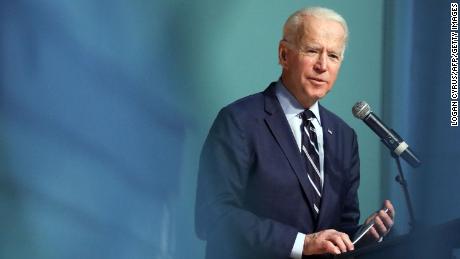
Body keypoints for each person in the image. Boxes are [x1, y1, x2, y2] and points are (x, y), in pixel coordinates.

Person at [195, 6, 395, 259]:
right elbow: (212, 215)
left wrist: (363, 234)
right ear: (284, 54)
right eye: (313, 51)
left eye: (333, 56)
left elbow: (339, 230)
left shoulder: (344, 137)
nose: (323, 65)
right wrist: (301, 244)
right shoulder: (239, 120)